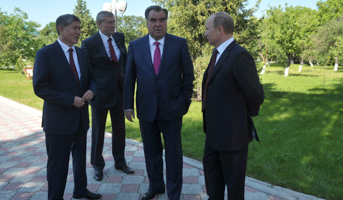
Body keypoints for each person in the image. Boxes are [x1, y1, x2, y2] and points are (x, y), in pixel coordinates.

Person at [123, 5, 194, 200]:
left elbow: (188, 76)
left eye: (162, 20)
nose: (157, 24)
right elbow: (129, 78)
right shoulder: (135, 46)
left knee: (173, 156)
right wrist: (128, 105)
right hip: (146, 109)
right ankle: (156, 187)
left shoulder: (178, 44)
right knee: (151, 153)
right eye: (153, 20)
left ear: (166, 22)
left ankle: (174, 194)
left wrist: (184, 102)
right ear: (146, 22)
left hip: (172, 109)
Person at [33, 14, 101, 200]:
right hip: (58, 121)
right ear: (62, 29)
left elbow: (92, 79)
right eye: (75, 28)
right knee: (58, 165)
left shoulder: (82, 54)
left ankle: (80, 190)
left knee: (80, 160)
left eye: (80, 28)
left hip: (80, 118)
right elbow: (40, 87)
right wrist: (69, 99)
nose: (79, 32)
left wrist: (91, 91)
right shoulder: (45, 53)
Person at [202, 12, 264, 200]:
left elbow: (256, 94)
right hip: (212, 135)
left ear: (219, 30)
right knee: (213, 184)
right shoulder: (217, 53)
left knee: (234, 189)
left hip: (232, 137)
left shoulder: (239, 55)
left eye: (207, 29)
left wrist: (241, 117)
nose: (205, 33)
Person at [81, 11, 134, 181]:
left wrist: (124, 76)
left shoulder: (119, 37)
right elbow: (86, 70)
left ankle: (120, 161)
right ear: (99, 24)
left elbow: (123, 59)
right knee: (98, 131)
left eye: (114, 22)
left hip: (119, 90)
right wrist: (92, 88)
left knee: (120, 129)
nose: (113, 25)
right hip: (100, 93)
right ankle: (98, 165)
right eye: (109, 23)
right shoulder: (89, 43)